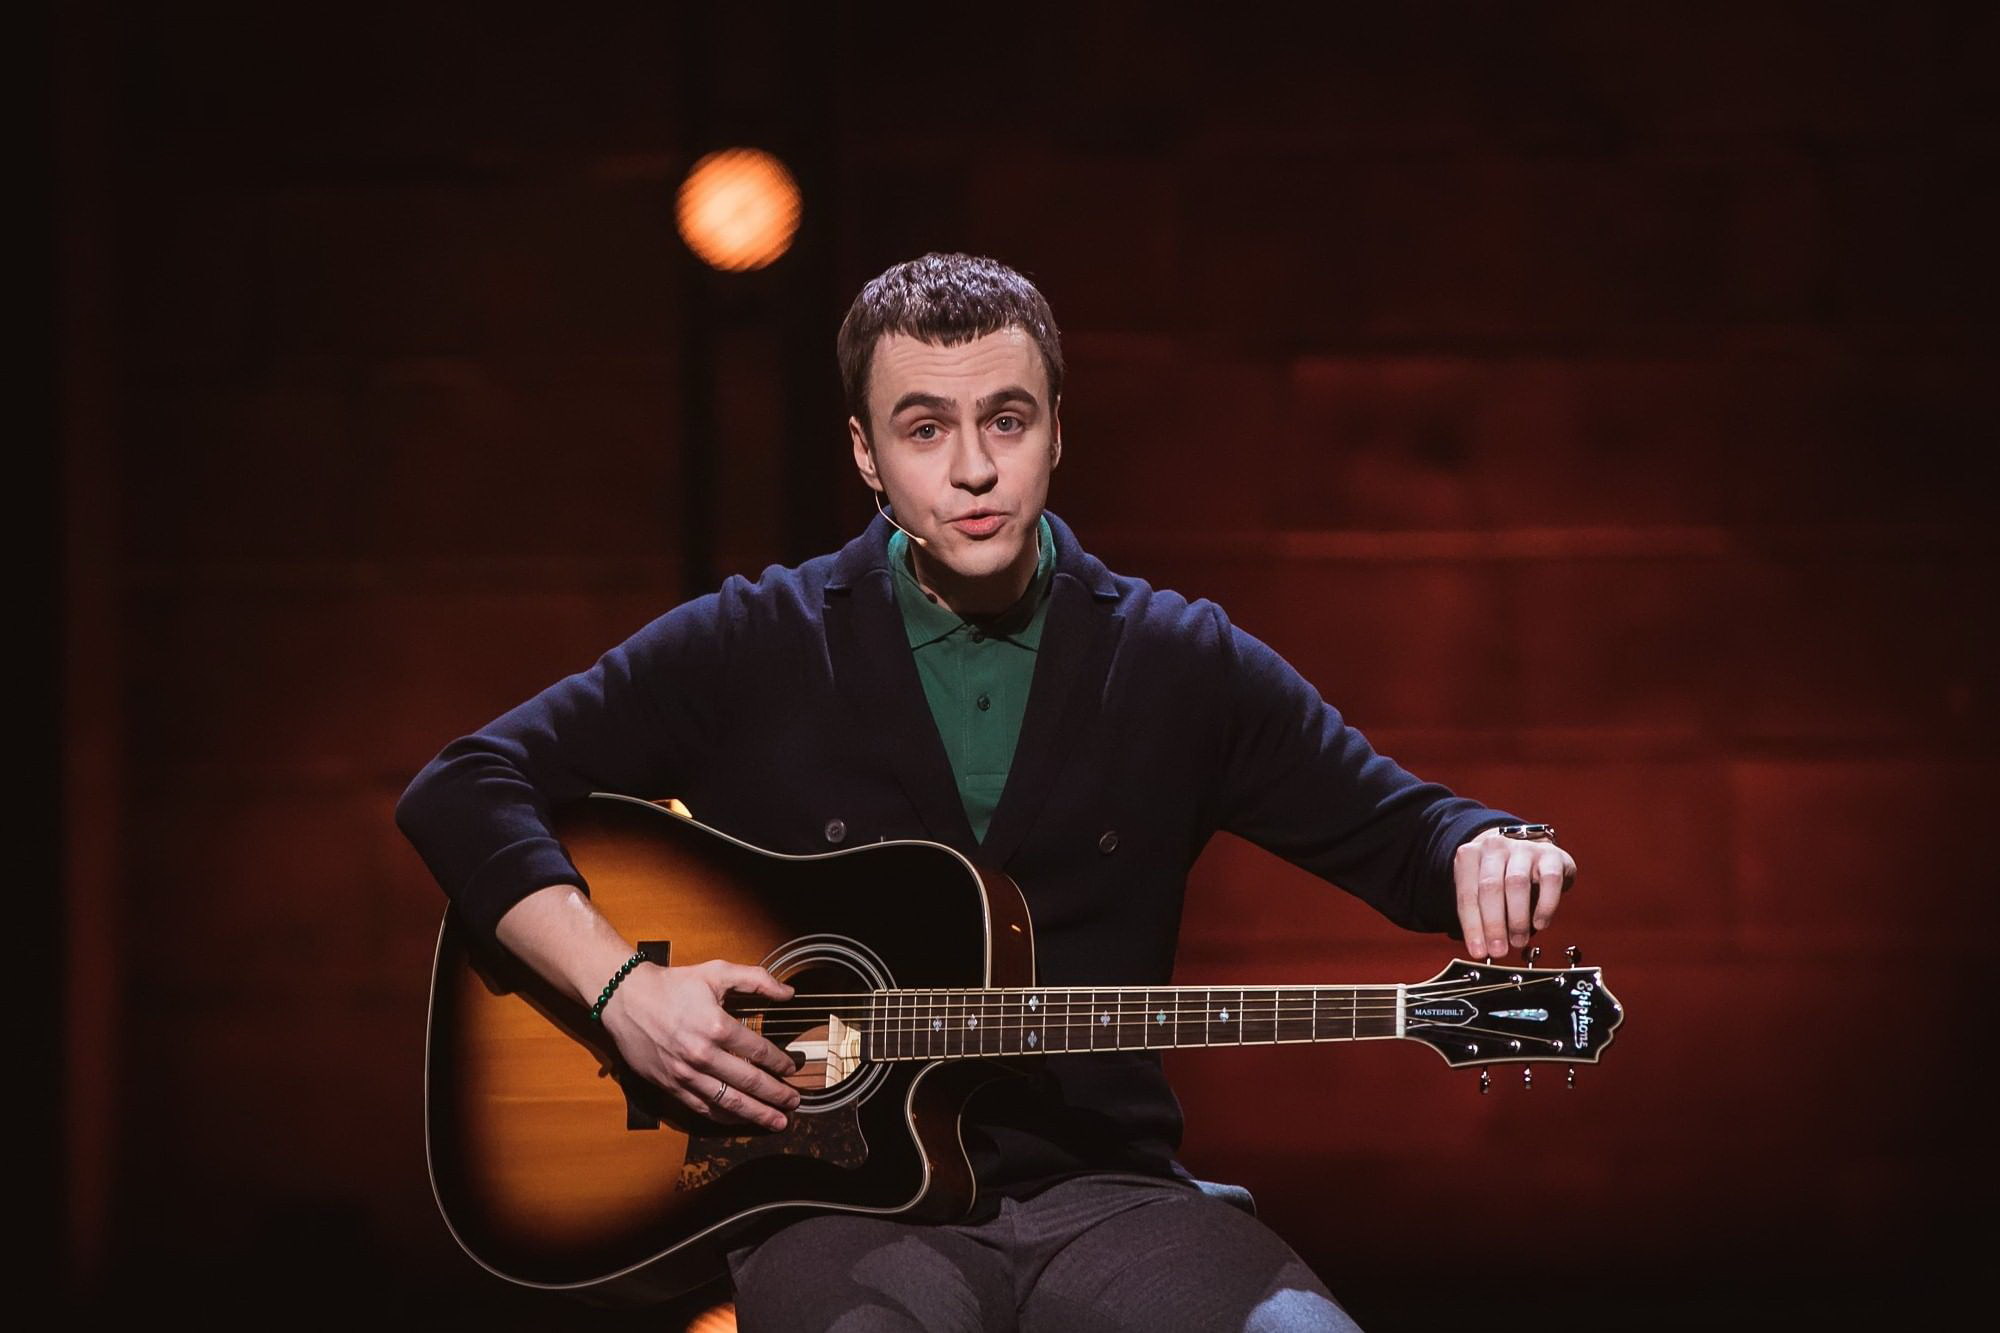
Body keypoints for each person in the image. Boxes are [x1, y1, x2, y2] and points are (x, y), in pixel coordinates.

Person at [396, 252, 1577, 1331]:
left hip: (1113, 1200)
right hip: (833, 1217)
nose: (972, 468)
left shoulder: (1173, 661)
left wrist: (1490, 845)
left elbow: (1407, 833)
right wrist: (623, 990)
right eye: (924, 428)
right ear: (864, 452)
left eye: (1005, 420)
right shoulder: (756, 642)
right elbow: (464, 786)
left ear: (1056, 429)